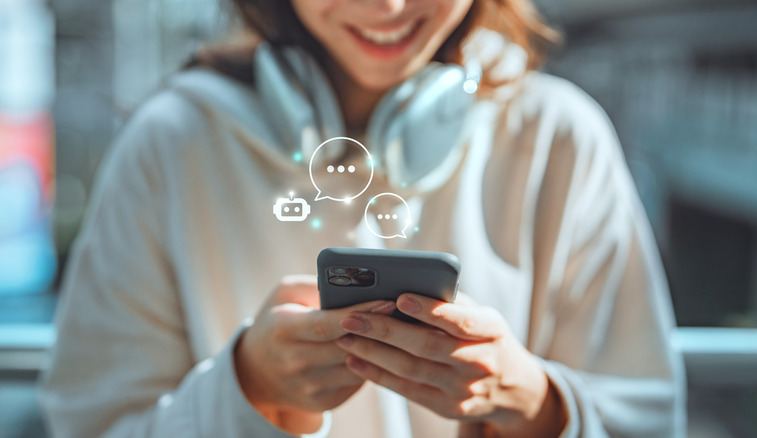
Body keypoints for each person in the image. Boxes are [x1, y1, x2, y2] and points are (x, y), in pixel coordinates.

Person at [40, 0, 686, 437]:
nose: (388, 5)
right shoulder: (171, 141)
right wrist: (250, 391)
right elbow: (91, 424)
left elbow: (650, 421)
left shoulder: (557, 137)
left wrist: (534, 405)